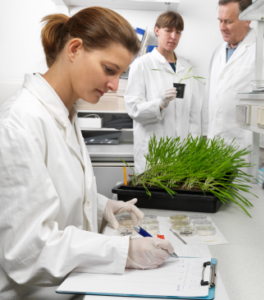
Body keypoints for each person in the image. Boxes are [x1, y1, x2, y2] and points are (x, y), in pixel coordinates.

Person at [0, 7, 175, 299]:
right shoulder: (19, 123)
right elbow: (27, 250)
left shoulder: (66, 112)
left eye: (120, 73)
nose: (114, 85)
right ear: (75, 49)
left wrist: (100, 204)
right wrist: (124, 251)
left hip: (73, 287)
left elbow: (47, 193)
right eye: (109, 69)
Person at [125, 11, 201, 174]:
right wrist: (159, 105)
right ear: (157, 30)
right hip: (152, 155)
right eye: (168, 30)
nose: (173, 36)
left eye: (178, 32)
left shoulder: (187, 69)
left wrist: (194, 150)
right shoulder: (141, 65)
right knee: (153, 197)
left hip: (182, 155)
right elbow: (133, 109)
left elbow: (194, 115)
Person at [202, 0, 264, 158]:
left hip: (246, 149)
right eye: (220, 21)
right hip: (214, 146)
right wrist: (205, 135)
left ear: (247, 20)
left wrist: (261, 149)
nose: (222, 27)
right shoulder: (218, 52)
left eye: (228, 21)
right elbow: (209, 98)